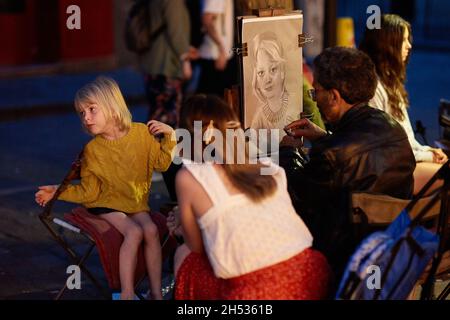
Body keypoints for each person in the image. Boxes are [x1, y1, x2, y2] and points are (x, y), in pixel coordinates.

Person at [170, 94, 332, 300]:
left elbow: (196, 246)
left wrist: (183, 225)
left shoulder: (191, 176)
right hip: (312, 273)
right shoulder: (269, 168)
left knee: (184, 255)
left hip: (259, 290)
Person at [280, 47, 416, 280]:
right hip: (390, 249)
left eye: (317, 92)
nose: (316, 99)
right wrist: (324, 137)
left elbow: (297, 193)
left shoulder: (333, 156)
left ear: (334, 96)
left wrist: (288, 152)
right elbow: (358, 153)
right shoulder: (393, 129)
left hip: (342, 257)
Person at [34, 77, 176, 300]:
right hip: (104, 203)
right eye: (81, 113)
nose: (86, 117)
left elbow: (162, 164)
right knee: (134, 231)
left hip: (134, 201)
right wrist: (57, 192)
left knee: (150, 230)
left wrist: (170, 136)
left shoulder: (141, 134)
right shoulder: (93, 150)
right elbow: (89, 191)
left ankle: (157, 293)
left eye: (91, 109)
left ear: (112, 106)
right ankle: (127, 293)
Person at [359, 14, 447, 194]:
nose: (409, 45)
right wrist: (427, 155)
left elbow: (406, 137)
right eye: (404, 40)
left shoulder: (390, 83)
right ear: (388, 44)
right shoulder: (374, 88)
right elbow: (385, 147)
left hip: (402, 164)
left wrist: (426, 149)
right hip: (390, 172)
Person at [138, 0, 193, 128]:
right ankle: (160, 147)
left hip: (153, 63)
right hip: (167, 65)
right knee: (168, 117)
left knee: (157, 111)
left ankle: (151, 145)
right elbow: (176, 32)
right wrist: (185, 59)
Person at [196, 0, 237, 97]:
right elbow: (207, 19)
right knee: (214, 101)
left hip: (218, 54)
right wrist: (221, 49)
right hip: (215, 56)